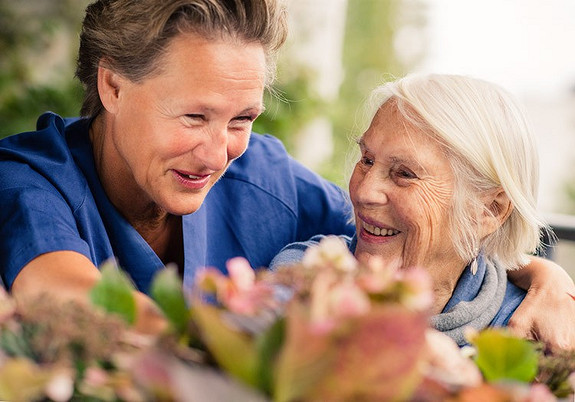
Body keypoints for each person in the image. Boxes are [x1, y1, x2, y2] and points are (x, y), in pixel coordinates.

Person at [0, 1, 572, 348]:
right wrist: (258, 341)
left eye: (241, 119)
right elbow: (63, 292)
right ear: (113, 87)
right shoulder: (30, 179)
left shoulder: (262, 174)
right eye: (194, 116)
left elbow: (407, 230)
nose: (216, 154)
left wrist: (539, 273)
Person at [270, 73, 573, 347]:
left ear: (489, 210)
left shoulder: (532, 332)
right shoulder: (301, 279)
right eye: (367, 160)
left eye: (404, 174)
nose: (364, 192)